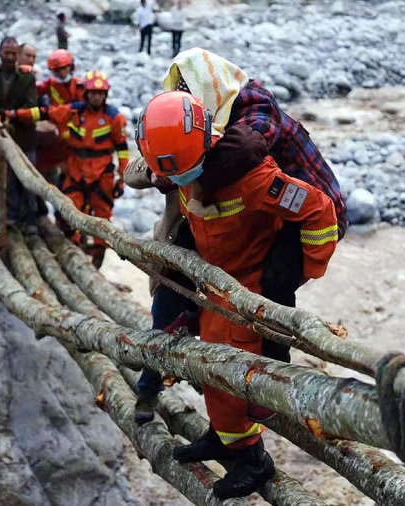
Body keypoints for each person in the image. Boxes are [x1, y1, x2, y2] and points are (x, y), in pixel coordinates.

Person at [137, 90, 339, 499]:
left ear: (206, 146)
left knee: (237, 373)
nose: (174, 184)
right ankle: (223, 436)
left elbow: (318, 210)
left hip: (247, 290)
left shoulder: (255, 177)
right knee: (214, 369)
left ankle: (252, 461)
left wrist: (299, 272)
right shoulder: (178, 161)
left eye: (179, 174)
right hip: (215, 287)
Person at [129, 48, 348, 423]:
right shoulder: (194, 116)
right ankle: (170, 354)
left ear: (206, 85)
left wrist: (186, 169)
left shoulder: (252, 107)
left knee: (274, 287)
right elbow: (144, 161)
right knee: (180, 266)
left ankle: (273, 375)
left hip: (302, 210)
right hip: (259, 211)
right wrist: (162, 167)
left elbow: (244, 151)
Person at [12, 70, 128, 267]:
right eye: (92, 93)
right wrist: (13, 114)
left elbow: (122, 150)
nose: (96, 97)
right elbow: (44, 113)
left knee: (102, 221)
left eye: (100, 93)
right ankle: (73, 258)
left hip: (102, 175)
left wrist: (122, 178)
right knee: (67, 215)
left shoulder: (114, 118)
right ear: (86, 94)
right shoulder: (74, 111)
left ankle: (96, 265)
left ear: (105, 95)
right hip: (76, 171)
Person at [0, 36, 41, 232]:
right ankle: (10, 218)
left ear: (18, 55)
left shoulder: (28, 79)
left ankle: (30, 221)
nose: (10, 57)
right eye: (7, 53)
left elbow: (32, 106)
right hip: (1, 138)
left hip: (24, 137)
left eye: (14, 53)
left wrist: (9, 117)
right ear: (0, 53)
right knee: (8, 179)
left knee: (30, 179)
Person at [34, 49, 84, 179]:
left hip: (77, 132)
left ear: (70, 67)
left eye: (63, 68)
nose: (61, 73)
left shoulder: (80, 86)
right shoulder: (50, 84)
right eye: (57, 70)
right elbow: (34, 89)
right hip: (57, 133)